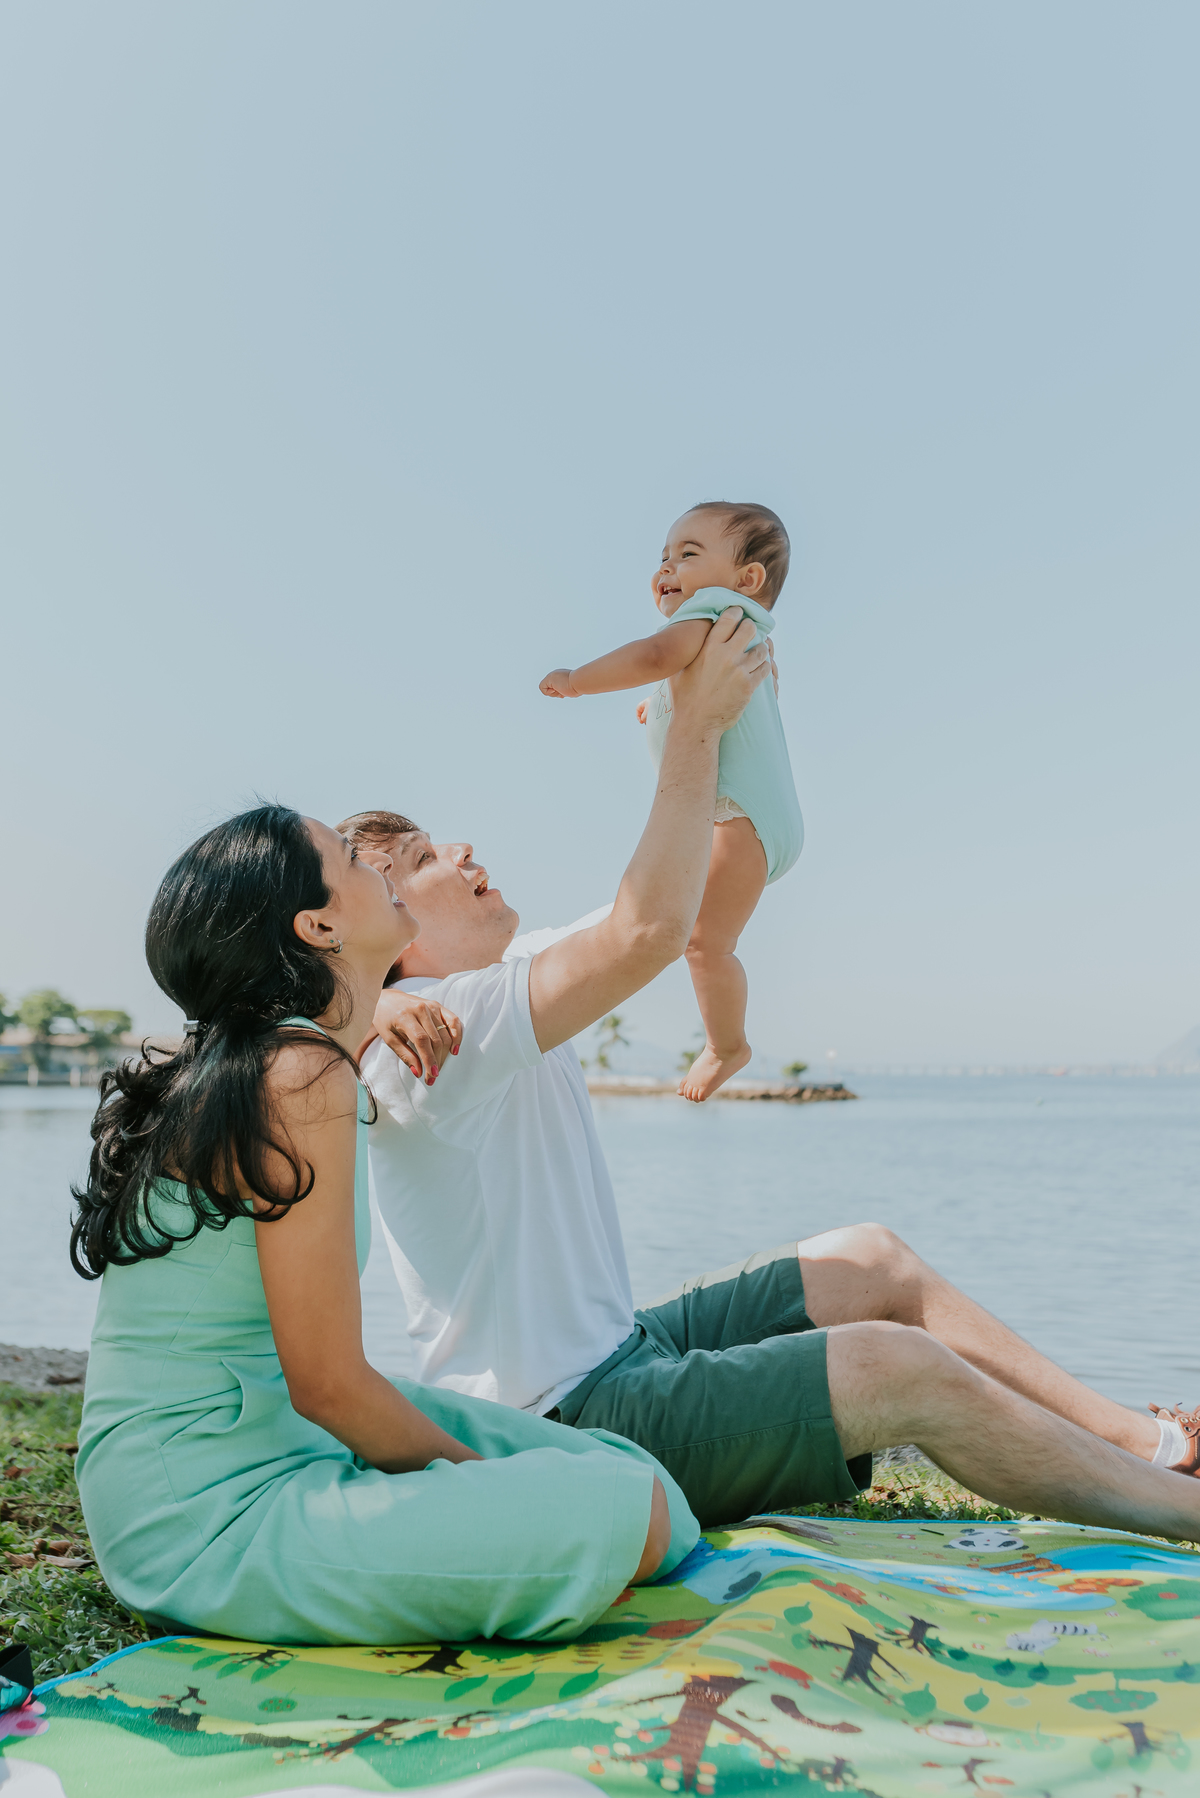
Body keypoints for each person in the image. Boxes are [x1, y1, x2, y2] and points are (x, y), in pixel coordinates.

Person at [348, 678, 1200, 1545]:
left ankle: (1158, 1445)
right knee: (900, 1369)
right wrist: (698, 732)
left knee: (874, 1263)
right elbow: (646, 931)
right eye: (422, 859)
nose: (457, 848)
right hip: (559, 1424)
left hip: (620, 1347)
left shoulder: (496, 983)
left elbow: (684, 903)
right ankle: (1190, 1515)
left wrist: (714, 732)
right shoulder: (430, 1035)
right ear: (390, 931)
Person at [71, 803, 702, 1647]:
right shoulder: (296, 1078)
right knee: (632, 1515)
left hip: (272, 1432)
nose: (383, 872)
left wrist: (379, 1005)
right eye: (354, 861)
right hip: (202, 1514)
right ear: (318, 923)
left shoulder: (287, 1057)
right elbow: (327, 1383)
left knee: (631, 1475)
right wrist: (484, 1491)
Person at [540, 500, 802, 1101]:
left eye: (687, 554)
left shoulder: (715, 612)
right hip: (754, 823)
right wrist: (658, 705)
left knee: (705, 943)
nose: (666, 567)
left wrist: (578, 680)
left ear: (747, 579)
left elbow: (656, 655)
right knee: (695, 935)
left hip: (741, 823)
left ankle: (726, 1045)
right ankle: (724, 1041)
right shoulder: (736, 633)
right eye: (662, 556)